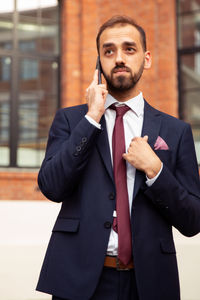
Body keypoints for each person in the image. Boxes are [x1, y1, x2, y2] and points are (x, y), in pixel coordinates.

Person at [36, 15, 200, 300]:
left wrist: (156, 170)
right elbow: (52, 187)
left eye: (129, 49)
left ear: (146, 59)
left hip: (148, 282)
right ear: (99, 62)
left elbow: (193, 221)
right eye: (109, 51)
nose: (119, 58)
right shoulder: (72, 120)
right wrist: (91, 118)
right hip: (79, 280)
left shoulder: (176, 131)